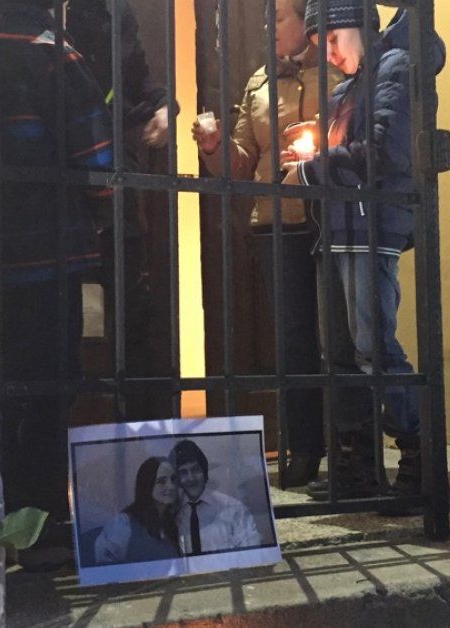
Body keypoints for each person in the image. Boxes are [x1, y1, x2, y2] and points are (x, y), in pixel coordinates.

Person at [282, 4, 448, 510]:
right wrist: (315, 159)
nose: (329, 55)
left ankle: (422, 459)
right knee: (341, 354)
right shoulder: (345, 90)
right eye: (321, 46)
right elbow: (355, 149)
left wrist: (311, 169)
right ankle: (357, 465)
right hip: (339, 226)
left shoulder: (395, 67)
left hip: (370, 225)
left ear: (361, 25)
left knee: (373, 347)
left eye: (334, 40)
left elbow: (383, 152)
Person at [190, 0, 343, 487]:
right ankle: (304, 447)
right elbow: (241, 164)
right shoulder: (259, 82)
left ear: (304, 20)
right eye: (267, 19)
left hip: (334, 221)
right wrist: (214, 147)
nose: (269, 27)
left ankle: (353, 448)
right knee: (294, 340)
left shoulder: (339, 69)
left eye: (278, 18)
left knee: (343, 337)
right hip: (277, 223)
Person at [0, 0, 114, 565]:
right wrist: (104, 198)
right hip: (50, 249)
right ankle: (40, 526)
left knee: (4, 391)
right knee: (49, 388)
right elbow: (97, 158)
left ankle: (2, 521)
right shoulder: (48, 51)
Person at [67, 0, 175, 420]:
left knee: (130, 304)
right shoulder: (52, 13)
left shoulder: (116, 12)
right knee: (63, 307)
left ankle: (134, 424)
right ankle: (63, 425)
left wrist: (164, 106)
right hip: (61, 176)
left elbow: (139, 77)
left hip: (115, 174)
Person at [170, 440, 262, 555]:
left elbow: (252, 551)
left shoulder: (232, 508)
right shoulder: (174, 514)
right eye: (183, 472)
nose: (191, 478)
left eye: (195, 470)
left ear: (204, 471)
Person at [94, 457, 182, 565]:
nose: (171, 486)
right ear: (148, 484)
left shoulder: (174, 522)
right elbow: (105, 566)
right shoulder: (123, 523)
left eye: (173, 479)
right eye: (162, 481)